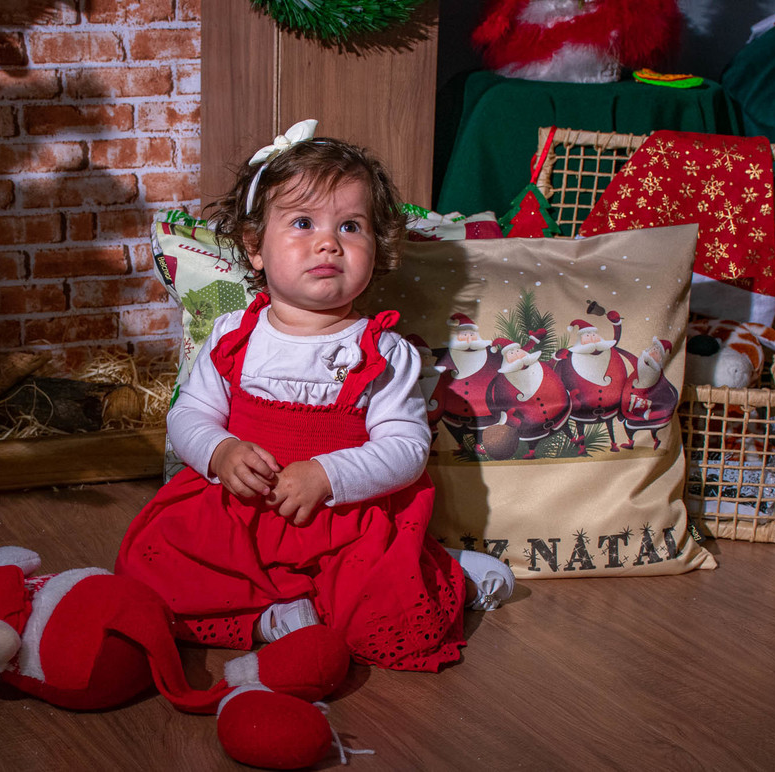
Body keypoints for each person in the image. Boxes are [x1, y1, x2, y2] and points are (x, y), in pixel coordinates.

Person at [115, 120, 514, 673]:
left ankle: (448, 572)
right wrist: (220, 452)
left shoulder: (382, 350)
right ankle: (269, 620)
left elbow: (404, 449)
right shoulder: (234, 335)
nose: (328, 241)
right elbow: (190, 413)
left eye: (351, 226)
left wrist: (328, 475)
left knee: (389, 624)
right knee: (150, 570)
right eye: (302, 222)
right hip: (239, 512)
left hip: (346, 523)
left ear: (377, 248)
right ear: (254, 248)